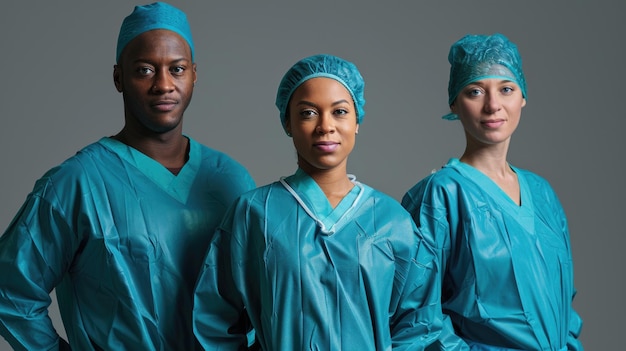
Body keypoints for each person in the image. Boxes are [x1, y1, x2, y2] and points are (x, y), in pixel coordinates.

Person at [0, 2, 255, 350]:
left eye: (177, 69)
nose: (164, 85)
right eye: (145, 70)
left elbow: (259, 296)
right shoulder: (78, 183)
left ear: (194, 74)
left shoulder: (231, 180)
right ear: (119, 77)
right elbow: (9, 289)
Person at [192, 54, 445, 350]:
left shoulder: (393, 220)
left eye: (339, 112)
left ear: (357, 121)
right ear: (287, 122)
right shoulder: (254, 213)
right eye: (308, 113)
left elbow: (418, 325)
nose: (326, 126)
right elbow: (215, 320)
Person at [401, 33, 584, 350]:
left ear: (523, 97)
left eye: (506, 89)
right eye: (475, 91)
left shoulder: (542, 194)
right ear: (454, 103)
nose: (493, 105)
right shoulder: (441, 195)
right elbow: (416, 320)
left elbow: (563, 306)